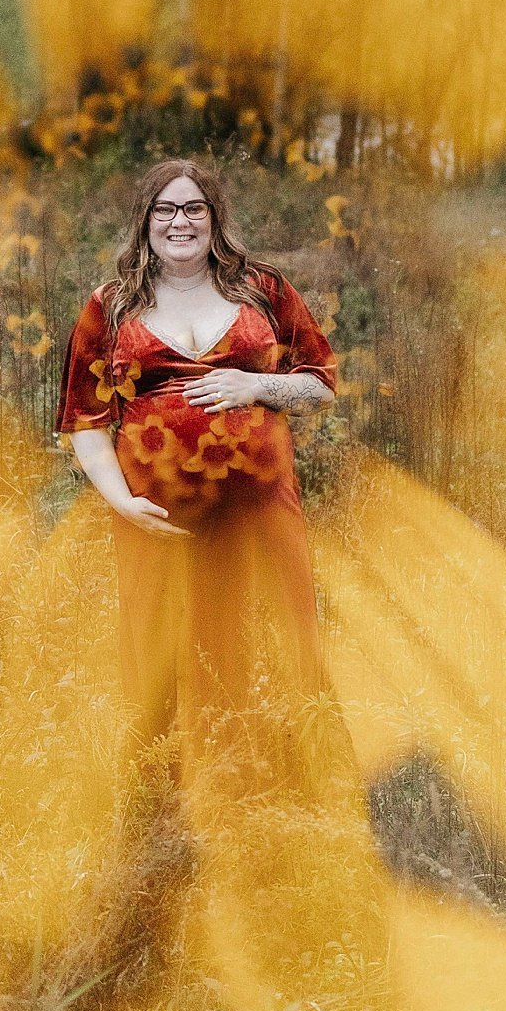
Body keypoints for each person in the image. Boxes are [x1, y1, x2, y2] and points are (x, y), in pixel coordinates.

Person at [57, 158, 337, 744]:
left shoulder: (263, 291)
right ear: (145, 221)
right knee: (161, 654)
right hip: (159, 519)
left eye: (193, 208)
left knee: (267, 642)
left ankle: (275, 782)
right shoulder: (110, 307)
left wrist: (257, 385)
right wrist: (122, 502)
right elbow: (84, 420)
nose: (179, 221)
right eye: (165, 209)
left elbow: (320, 387)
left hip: (258, 511)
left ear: (214, 219)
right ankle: (166, 802)